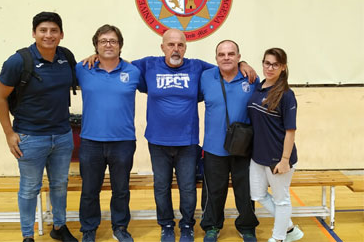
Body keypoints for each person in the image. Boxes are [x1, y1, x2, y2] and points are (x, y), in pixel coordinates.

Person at [84, 29, 256, 242]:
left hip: (188, 141)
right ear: (162, 47)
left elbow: (227, 67)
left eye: (180, 45)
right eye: (171, 44)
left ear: (185, 47)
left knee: (187, 188)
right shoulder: (147, 65)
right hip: (158, 141)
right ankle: (166, 225)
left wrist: (244, 63)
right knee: (161, 187)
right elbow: (117, 63)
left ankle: (186, 225)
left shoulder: (198, 68)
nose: (176, 49)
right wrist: (97, 57)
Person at [0, 12, 78, 242]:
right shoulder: (19, 61)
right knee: (30, 188)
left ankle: (59, 227)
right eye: (43, 30)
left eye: (53, 31)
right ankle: (28, 235)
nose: (48, 35)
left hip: (62, 135)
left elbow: (83, 77)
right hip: (29, 138)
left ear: (61, 34)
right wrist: (9, 133)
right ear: (34, 33)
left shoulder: (66, 57)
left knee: (60, 185)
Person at [76, 25, 143, 242]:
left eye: (113, 41)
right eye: (103, 41)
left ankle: (120, 227)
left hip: (123, 142)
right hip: (90, 142)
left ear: (120, 45)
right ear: (96, 45)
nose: (108, 44)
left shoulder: (133, 71)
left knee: (121, 190)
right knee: (89, 191)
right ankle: (88, 229)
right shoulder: (82, 68)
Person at [199, 40, 260, 242]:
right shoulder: (206, 77)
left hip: (243, 147)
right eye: (222, 54)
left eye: (231, 54)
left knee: (246, 190)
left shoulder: (250, 78)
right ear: (216, 58)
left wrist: (247, 65)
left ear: (239, 57)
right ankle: (212, 226)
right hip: (214, 147)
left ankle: (247, 226)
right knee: (213, 191)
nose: (226, 57)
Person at [247, 48, 304, 242]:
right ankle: (289, 227)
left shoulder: (286, 95)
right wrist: (241, 64)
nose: (270, 68)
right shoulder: (258, 86)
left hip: (279, 158)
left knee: (282, 200)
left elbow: (290, 130)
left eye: (275, 64)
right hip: (258, 156)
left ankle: (278, 238)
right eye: (267, 63)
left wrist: (285, 160)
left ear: (283, 67)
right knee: (258, 195)